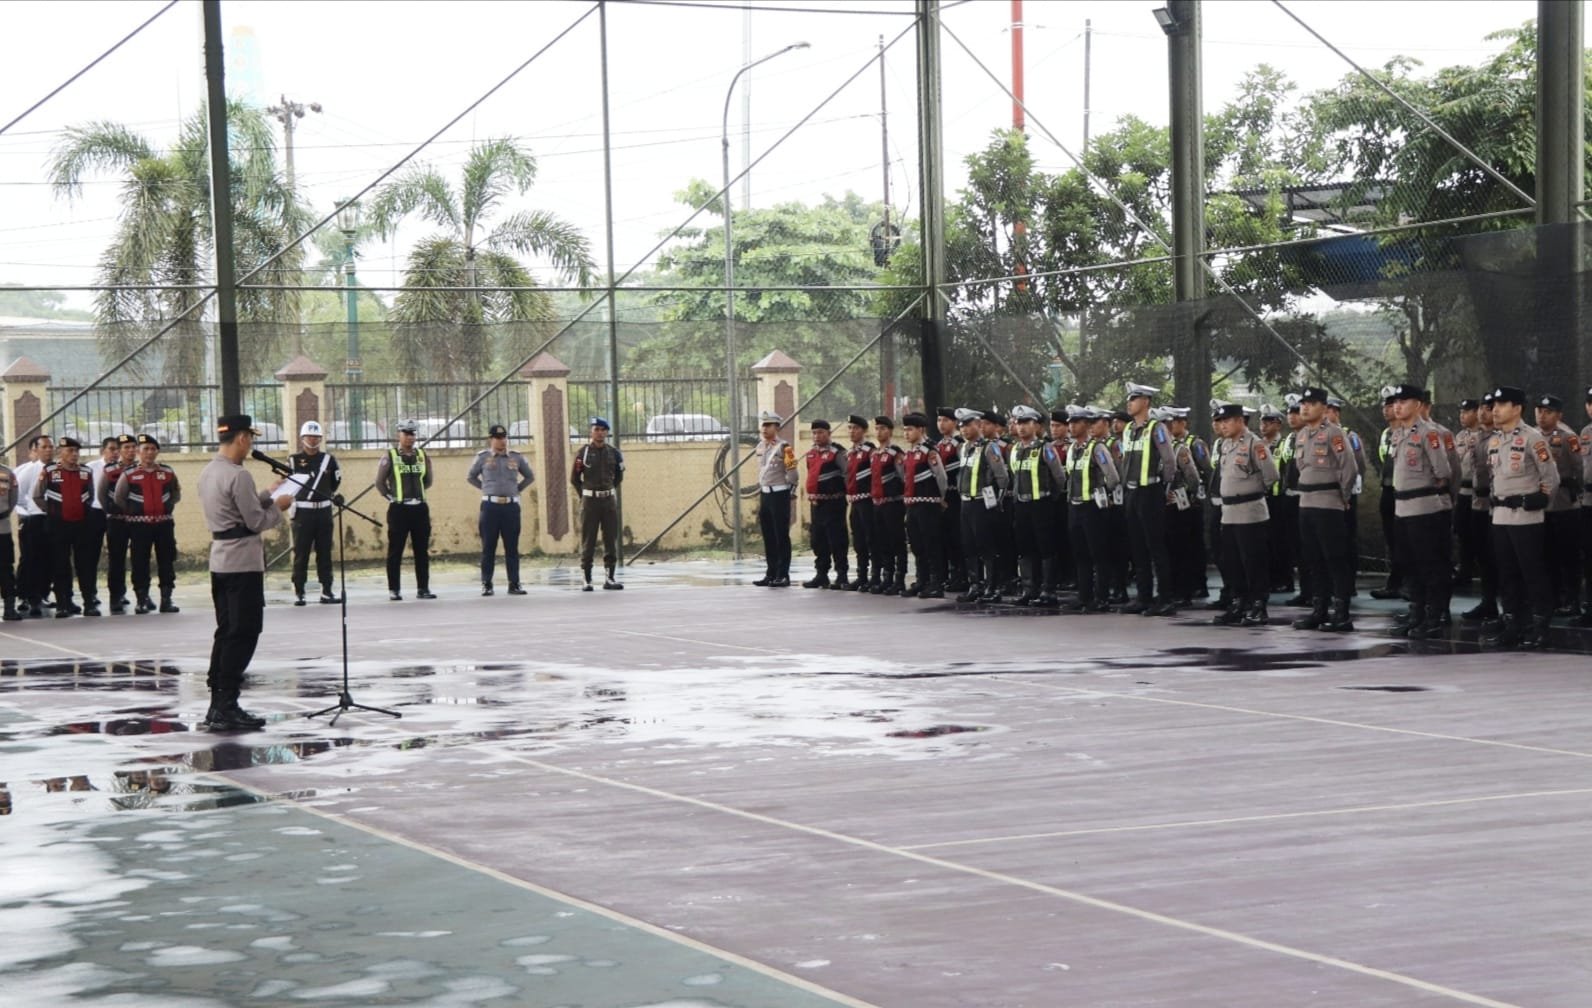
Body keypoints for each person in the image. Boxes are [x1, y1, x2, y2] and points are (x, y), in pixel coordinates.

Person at [197, 414, 291, 731]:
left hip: (221, 561)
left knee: (226, 632)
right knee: (244, 632)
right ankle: (227, 704)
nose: (250, 444)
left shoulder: (210, 471)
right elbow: (255, 521)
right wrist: (278, 507)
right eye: (250, 438)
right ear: (241, 438)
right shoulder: (239, 475)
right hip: (243, 563)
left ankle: (218, 702)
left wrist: (267, 494)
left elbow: (236, 508)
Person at [1483, 386, 1558, 649]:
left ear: (1517, 408)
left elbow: (1551, 477)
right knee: (1507, 575)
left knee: (1532, 573)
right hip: (1500, 516)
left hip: (1526, 518)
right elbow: (1494, 479)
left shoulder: (1532, 438)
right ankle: (1513, 624)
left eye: (1501, 405)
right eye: (1494, 405)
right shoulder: (1494, 441)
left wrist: (1541, 501)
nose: (1495, 410)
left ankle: (1540, 627)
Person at [1290, 386, 1359, 632]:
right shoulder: (1301, 435)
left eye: (1311, 404)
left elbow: (1349, 468)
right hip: (1306, 502)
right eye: (1303, 404)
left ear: (1323, 407)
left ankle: (1341, 613)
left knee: (1335, 558)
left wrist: (1343, 496)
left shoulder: (1334, 433)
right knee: (1313, 559)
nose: (1305, 408)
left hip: (1328, 502)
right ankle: (1319, 610)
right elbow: (1301, 466)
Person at [1387, 384, 1453, 638]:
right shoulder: (1398, 434)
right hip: (1402, 508)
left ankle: (1433, 617)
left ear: (1417, 404)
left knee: (1429, 565)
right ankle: (1416, 615)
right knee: (1409, 565)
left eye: (1403, 401)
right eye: (1395, 402)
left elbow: (1443, 471)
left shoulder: (1428, 433)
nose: (1397, 406)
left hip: (1424, 508)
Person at [1211, 401, 1279, 626]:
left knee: (1253, 561)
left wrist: (1252, 491)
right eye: (1220, 421)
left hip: (1249, 512)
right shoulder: (1225, 445)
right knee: (1232, 561)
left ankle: (1258, 605)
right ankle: (1239, 603)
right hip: (1228, 512)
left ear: (1240, 421)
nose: (1223, 425)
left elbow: (1271, 475)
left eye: (1227, 421)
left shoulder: (1254, 444)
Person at [1118, 382, 1179, 616]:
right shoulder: (1128, 429)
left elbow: (1169, 460)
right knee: (1137, 547)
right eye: (1129, 399)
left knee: (1156, 547)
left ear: (1146, 402)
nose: (1129, 403)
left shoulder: (1157, 427)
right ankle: (1143, 597)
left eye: (1134, 399)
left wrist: (1164, 486)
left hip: (1150, 491)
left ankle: (1165, 598)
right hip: (1132, 492)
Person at [113, 433, 181, 614]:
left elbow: (175, 494)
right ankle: (142, 600)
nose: (149, 452)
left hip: (164, 525)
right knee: (140, 562)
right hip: (139, 527)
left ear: (157, 451)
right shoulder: (129, 474)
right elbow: (119, 497)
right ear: (138, 452)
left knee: (166, 561)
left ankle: (166, 599)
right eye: (145, 449)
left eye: (152, 449)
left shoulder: (167, 472)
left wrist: (165, 507)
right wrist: (135, 511)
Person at [33, 436, 99, 617]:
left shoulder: (86, 471)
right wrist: (52, 511)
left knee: (85, 565)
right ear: (60, 452)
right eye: (70, 450)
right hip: (58, 526)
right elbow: (37, 496)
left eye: (76, 451)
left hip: (82, 525)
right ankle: (63, 603)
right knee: (60, 565)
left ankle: (89, 603)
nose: (74, 454)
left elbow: (91, 495)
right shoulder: (50, 471)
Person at [1005, 404, 1064, 606]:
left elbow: (1059, 477)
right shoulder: (1015, 450)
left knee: (1045, 547)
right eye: (1018, 423)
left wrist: (1051, 498)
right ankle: (1029, 589)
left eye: (1026, 423)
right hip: (1021, 504)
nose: (1021, 427)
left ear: (1035, 426)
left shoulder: (1044, 448)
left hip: (1041, 504)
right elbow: (1013, 476)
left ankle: (1048, 590)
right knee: (1025, 547)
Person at [467, 423, 535, 596]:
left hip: (511, 507)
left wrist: (517, 490)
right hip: (490, 507)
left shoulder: (516, 457)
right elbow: (471, 477)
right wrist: (486, 488)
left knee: (512, 547)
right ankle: (487, 583)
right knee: (488, 547)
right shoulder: (483, 457)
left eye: (504, 437)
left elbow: (529, 476)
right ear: (491, 439)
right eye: (498, 438)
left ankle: (514, 583)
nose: (502, 441)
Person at [374, 419, 435, 601]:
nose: (410, 437)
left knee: (421, 551)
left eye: (412, 434)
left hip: (420, 508)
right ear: (398, 435)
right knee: (396, 551)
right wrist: (391, 498)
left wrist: (417, 494)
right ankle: (394, 589)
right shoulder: (390, 456)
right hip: (399, 509)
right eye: (406, 433)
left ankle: (423, 588)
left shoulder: (422, 455)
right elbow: (380, 483)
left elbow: (428, 480)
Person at [1533, 393, 1582, 617]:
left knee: (1568, 556)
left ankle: (1572, 600)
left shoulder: (1567, 437)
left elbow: (1580, 467)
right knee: (1546, 555)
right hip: (1542, 505)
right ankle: (1552, 598)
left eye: (1548, 412)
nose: (1542, 416)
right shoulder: (1532, 435)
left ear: (1559, 415)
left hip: (1564, 504)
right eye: (1539, 411)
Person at [289, 420, 343, 606]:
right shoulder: (293, 460)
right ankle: (299, 592)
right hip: (303, 512)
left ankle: (326, 590)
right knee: (301, 553)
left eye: (316, 436)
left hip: (323, 511)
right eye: (309, 436)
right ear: (302, 438)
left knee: (325, 552)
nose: (313, 440)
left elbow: (335, 483)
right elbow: (287, 484)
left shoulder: (329, 460)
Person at [571, 416, 625, 591]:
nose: (600, 433)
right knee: (588, 540)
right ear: (591, 432)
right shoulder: (583, 453)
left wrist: (608, 490)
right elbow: (575, 478)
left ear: (607, 432)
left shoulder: (614, 453)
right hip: (590, 503)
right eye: (596, 430)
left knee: (610, 539)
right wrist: (585, 495)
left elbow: (619, 476)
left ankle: (610, 578)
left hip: (608, 502)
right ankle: (587, 579)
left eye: (603, 430)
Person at [900, 412, 949, 598]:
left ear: (921, 430)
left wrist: (941, 497)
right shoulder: (909, 453)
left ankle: (936, 583)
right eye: (905, 430)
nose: (906, 433)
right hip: (912, 505)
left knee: (931, 544)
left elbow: (941, 477)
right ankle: (922, 580)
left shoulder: (929, 451)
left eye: (910, 429)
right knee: (917, 545)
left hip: (928, 505)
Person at [801, 419, 849, 588]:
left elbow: (847, 474)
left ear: (829, 433)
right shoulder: (811, 453)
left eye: (821, 432)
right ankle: (821, 574)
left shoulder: (838, 452)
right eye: (814, 433)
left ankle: (842, 575)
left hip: (834, 502)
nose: (817, 436)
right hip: (817, 504)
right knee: (818, 540)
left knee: (837, 539)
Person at [753, 411, 798, 587]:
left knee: (781, 535)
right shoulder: (760, 447)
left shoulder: (784, 447)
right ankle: (771, 573)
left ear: (777, 427)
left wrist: (790, 491)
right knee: (768, 535)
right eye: (763, 425)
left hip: (780, 494)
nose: (764, 428)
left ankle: (783, 574)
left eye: (768, 425)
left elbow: (792, 472)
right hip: (765, 494)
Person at [13, 434, 53, 617]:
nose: (48, 450)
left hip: (51, 519)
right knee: (30, 559)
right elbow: (18, 496)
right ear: (35, 450)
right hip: (32, 519)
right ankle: (25, 595)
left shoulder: (55, 469)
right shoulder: (28, 470)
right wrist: (27, 513)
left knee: (48, 558)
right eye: (44, 447)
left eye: (50, 447)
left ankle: (43, 593)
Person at [867, 415, 908, 595]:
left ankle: (899, 579)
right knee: (882, 542)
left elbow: (904, 477)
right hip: (877, 504)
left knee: (897, 542)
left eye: (883, 429)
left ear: (890, 431)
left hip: (893, 503)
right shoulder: (874, 454)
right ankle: (887, 577)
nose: (879, 432)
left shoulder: (895, 453)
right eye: (877, 429)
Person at [100, 433, 137, 613]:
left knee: (139, 559)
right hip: (117, 521)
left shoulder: (142, 469)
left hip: (138, 522)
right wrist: (111, 511)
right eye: (126, 448)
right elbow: (101, 494)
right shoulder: (110, 470)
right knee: (116, 559)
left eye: (133, 447)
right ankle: (116, 595)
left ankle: (142, 595)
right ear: (120, 451)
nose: (130, 451)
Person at [840, 415, 876, 592]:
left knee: (872, 539)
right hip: (855, 501)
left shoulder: (870, 450)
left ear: (864, 431)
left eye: (855, 428)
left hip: (868, 500)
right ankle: (861, 576)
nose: (852, 431)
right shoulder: (850, 453)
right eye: (850, 428)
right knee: (859, 540)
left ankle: (875, 576)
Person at [0, 456, 16, 621]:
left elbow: (13, 500)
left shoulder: (7, 473)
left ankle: (10, 608)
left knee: (5, 569)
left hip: (2, 529)